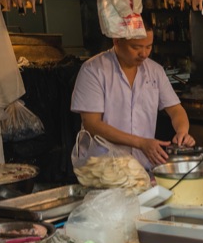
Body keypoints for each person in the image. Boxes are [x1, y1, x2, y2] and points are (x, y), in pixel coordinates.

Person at [71, 16, 195, 169]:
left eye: (148, 46)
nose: (144, 53)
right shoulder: (93, 70)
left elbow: (175, 109)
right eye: (136, 47)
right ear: (117, 41)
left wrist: (182, 132)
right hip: (103, 167)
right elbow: (92, 124)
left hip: (141, 168)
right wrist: (140, 143)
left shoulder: (155, 71)